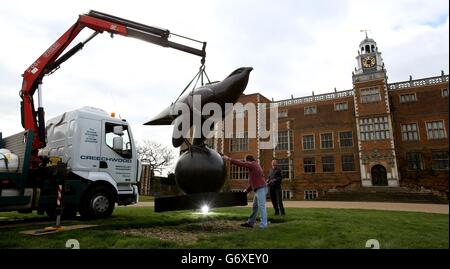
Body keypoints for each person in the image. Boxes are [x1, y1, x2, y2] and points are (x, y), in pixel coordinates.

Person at [222, 154, 268, 229]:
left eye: (246, 161)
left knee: (262, 207)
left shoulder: (252, 164)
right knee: (255, 207)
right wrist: (246, 192)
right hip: (259, 188)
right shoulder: (255, 165)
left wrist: (228, 159)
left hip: (261, 189)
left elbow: (241, 164)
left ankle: (264, 225)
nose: (245, 163)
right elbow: (254, 183)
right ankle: (250, 223)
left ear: (248, 160)